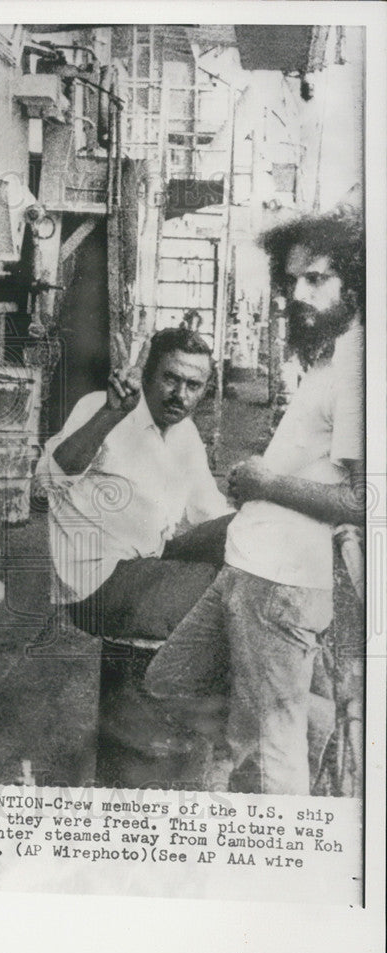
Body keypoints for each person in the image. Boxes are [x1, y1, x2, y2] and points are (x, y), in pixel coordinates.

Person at [145, 208, 365, 795]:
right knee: (171, 679)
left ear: (358, 282)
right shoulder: (327, 359)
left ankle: (280, 851)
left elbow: (366, 500)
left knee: (276, 752)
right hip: (245, 570)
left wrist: (266, 483)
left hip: (283, 585)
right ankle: (253, 745)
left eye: (317, 279)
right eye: (292, 280)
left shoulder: (361, 370)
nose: (298, 293)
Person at [35, 327, 233, 642]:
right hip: (98, 582)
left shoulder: (185, 434)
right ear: (148, 375)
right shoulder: (102, 406)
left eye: (193, 385)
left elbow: (209, 513)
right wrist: (110, 415)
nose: (180, 395)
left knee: (247, 532)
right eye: (170, 379)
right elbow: (49, 478)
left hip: (150, 560)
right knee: (229, 592)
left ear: (205, 389)